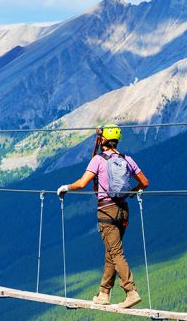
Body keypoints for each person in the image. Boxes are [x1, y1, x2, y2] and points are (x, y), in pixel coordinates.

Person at [56, 124, 149, 309]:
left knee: (115, 252)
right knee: (111, 252)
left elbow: (83, 183)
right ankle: (104, 293)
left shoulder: (98, 160)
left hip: (107, 210)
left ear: (103, 140)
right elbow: (144, 183)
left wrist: (66, 187)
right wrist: (132, 191)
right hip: (123, 210)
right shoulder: (127, 159)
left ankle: (131, 291)